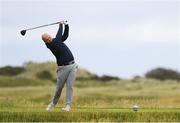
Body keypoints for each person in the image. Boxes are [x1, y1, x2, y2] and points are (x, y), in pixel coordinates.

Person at [41, 21, 77, 112]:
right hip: (62, 68)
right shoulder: (51, 45)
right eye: (47, 39)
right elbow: (59, 35)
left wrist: (66, 25)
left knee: (70, 86)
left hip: (73, 65)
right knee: (59, 88)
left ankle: (68, 106)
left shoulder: (57, 40)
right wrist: (60, 25)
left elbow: (65, 36)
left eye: (49, 37)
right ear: (45, 42)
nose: (49, 39)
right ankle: (53, 104)